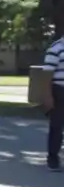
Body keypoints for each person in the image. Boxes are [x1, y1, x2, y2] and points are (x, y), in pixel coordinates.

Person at [41, 35, 64, 171]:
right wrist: (47, 96)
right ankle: (53, 159)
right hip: (59, 92)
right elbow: (46, 75)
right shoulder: (57, 48)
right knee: (57, 127)